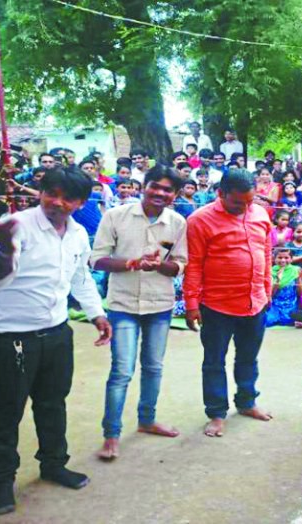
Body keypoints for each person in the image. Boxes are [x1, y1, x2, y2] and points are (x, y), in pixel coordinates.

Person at [0, 167, 112, 515]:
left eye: (68, 197)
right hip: (10, 337)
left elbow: (81, 278)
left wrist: (97, 314)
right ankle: (1, 481)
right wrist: (4, 257)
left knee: (52, 403)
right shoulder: (13, 226)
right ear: (41, 192)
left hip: (57, 333)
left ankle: (53, 463)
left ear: (81, 202)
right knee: (5, 411)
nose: (57, 202)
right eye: (51, 193)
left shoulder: (77, 234)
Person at [90, 165, 188, 461]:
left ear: (175, 194)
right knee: (122, 371)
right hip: (123, 305)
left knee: (154, 367)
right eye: (155, 186)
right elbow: (97, 260)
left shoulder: (177, 222)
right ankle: (111, 435)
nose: (160, 193)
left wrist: (159, 265)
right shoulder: (115, 216)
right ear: (143, 186)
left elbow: (180, 265)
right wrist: (132, 263)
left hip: (160, 304)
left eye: (167, 189)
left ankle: (147, 420)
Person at [183, 169, 274, 438]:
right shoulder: (199, 220)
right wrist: (191, 303)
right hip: (216, 306)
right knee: (214, 361)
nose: (244, 208)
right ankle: (216, 413)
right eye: (237, 202)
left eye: (249, 201)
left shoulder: (260, 214)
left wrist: (266, 289)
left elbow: (266, 254)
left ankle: (247, 402)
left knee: (248, 357)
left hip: (254, 302)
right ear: (220, 193)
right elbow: (194, 264)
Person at [265, 249, 301, 327]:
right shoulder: (270, 272)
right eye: (280, 257)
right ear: (274, 259)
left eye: (286, 258)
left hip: (291, 304)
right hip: (275, 305)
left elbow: (300, 293)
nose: (283, 260)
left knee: (289, 320)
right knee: (268, 321)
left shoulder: (295, 270)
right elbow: (270, 295)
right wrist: (278, 280)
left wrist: (299, 277)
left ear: (291, 259)